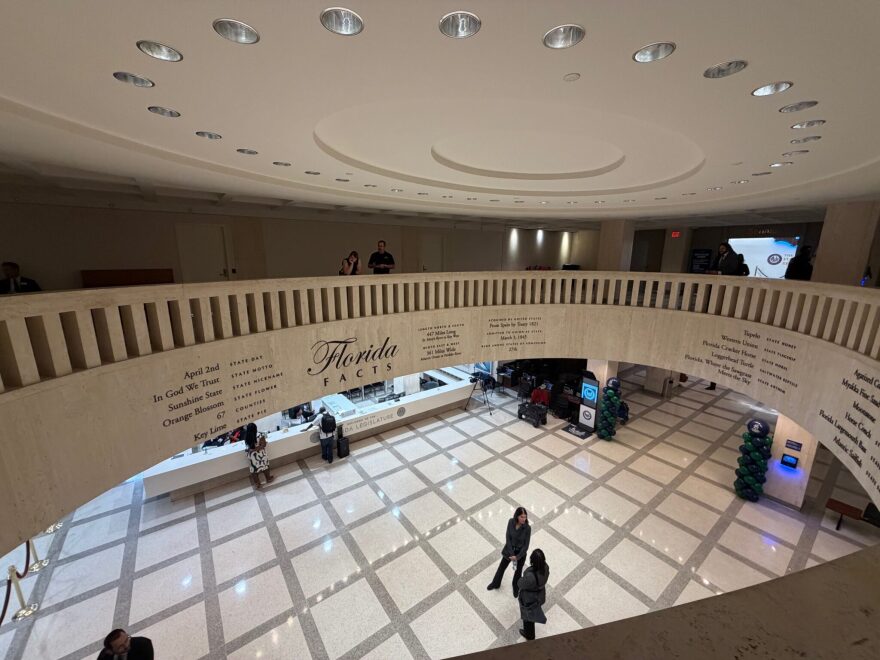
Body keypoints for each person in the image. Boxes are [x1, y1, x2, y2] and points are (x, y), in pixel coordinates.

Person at [486, 506, 531, 597]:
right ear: (517, 516)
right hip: (509, 551)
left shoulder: (527, 528)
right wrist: (511, 554)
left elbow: (526, 546)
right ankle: (496, 583)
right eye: (521, 516)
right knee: (501, 568)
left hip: (520, 553)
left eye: (525, 516)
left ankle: (515, 586)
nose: (524, 519)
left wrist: (517, 557)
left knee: (518, 571)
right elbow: (508, 538)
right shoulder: (511, 522)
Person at [517, 548, 549, 641]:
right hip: (540, 595)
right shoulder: (546, 568)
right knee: (532, 614)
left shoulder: (530, 577)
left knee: (528, 618)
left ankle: (529, 635)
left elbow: (520, 584)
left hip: (529, 598)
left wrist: (520, 579)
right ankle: (530, 633)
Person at [244, 423, 274, 489]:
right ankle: (268, 478)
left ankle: (257, 483)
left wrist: (250, 450)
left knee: (254, 470)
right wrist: (263, 444)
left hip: (252, 456)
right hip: (260, 455)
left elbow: (248, 447)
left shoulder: (246, 436)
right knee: (265, 467)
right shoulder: (259, 435)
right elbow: (263, 445)